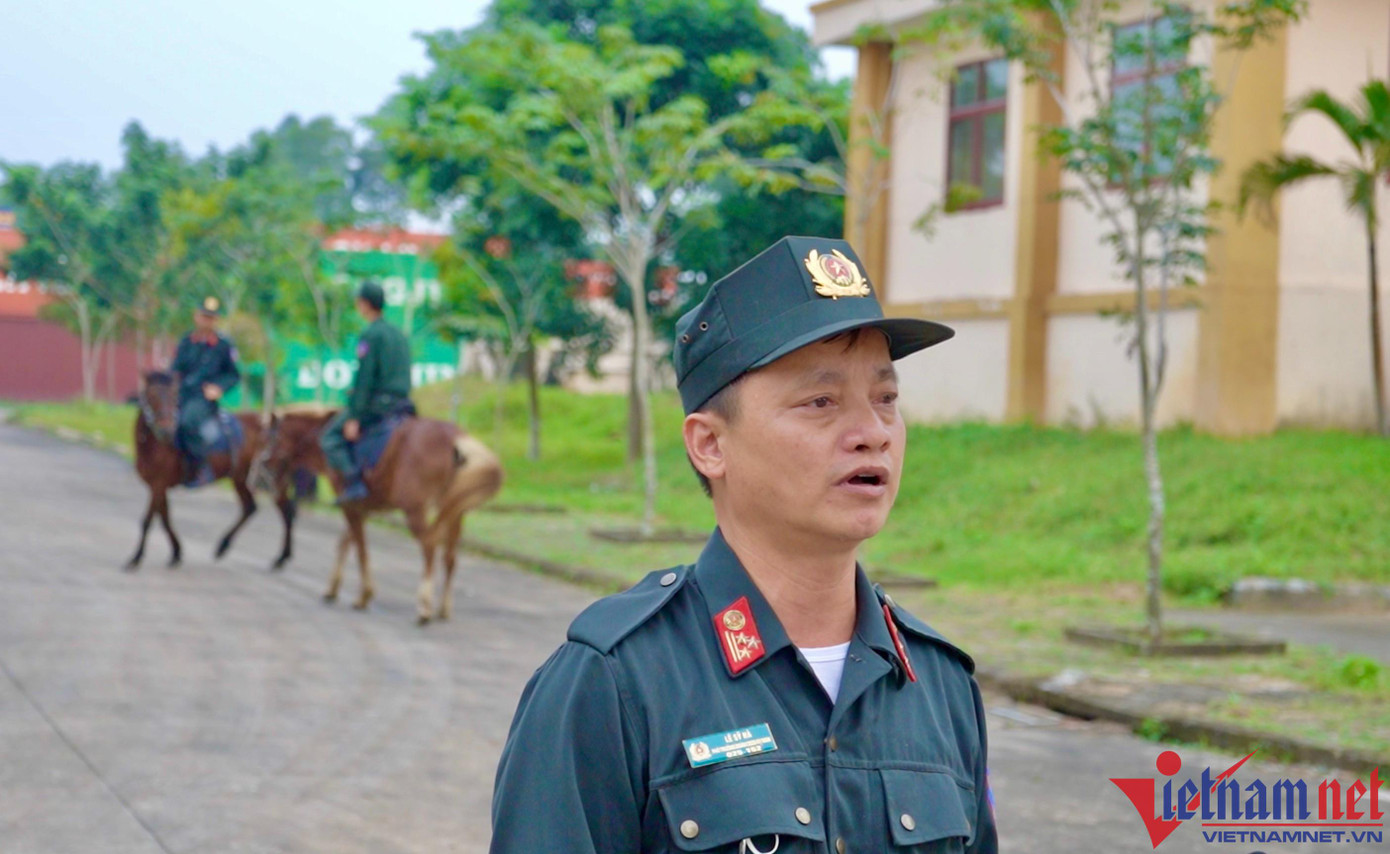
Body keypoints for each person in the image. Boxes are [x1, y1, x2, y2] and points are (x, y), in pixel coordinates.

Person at [489, 236, 998, 853]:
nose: (872, 433)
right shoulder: (616, 682)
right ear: (709, 444)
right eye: (821, 401)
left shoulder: (939, 686)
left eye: (886, 399)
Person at [321, 280, 413, 504]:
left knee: (329, 438)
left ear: (364, 304)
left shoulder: (370, 334)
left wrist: (354, 416)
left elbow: (365, 379)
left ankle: (354, 483)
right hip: (403, 402)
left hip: (378, 404)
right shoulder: (399, 333)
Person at [171, 296, 240, 486]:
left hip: (203, 399)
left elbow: (233, 375)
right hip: (182, 394)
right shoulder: (187, 341)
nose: (207, 321)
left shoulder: (223, 345)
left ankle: (201, 467)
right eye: (204, 316)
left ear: (216, 320)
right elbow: (175, 369)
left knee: (188, 421)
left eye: (211, 317)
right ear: (196, 316)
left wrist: (218, 388)